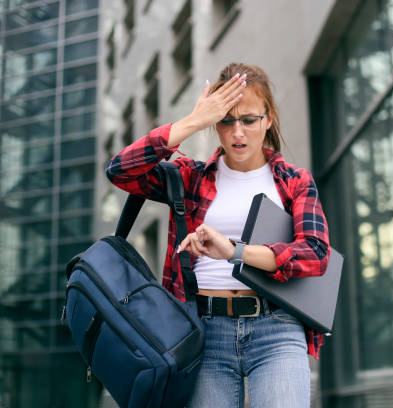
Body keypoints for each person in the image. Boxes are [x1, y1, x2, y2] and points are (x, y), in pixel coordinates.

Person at [106, 62, 330, 408]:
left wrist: (234, 251)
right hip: (204, 333)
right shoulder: (188, 178)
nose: (237, 132)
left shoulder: (293, 181)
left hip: (277, 329)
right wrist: (193, 121)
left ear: (268, 119)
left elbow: (315, 253)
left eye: (249, 120)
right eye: (226, 120)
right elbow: (121, 171)